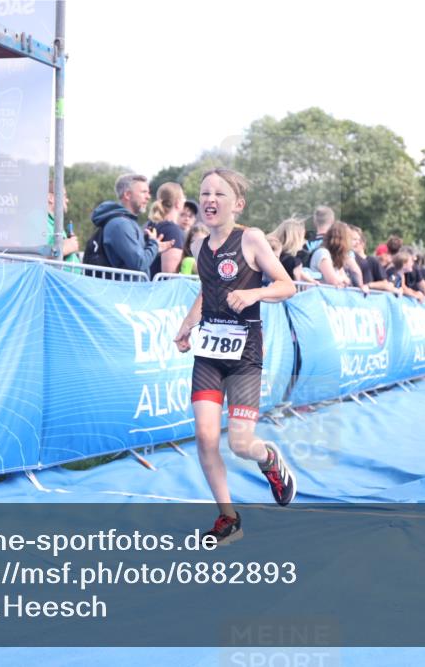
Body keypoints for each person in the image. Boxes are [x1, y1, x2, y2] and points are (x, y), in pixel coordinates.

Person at [173, 168, 298, 545]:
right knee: (206, 438)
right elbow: (206, 291)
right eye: (205, 193)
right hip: (210, 354)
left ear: (237, 204)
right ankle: (228, 519)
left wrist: (255, 294)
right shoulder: (197, 246)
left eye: (219, 194)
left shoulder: (252, 240)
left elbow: (287, 285)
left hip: (245, 355)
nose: (210, 200)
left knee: (240, 444)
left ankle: (269, 460)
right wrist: (187, 324)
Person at [86, 173, 173, 276]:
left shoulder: (125, 222)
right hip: (122, 291)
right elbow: (139, 263)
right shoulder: (120, 225)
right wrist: (153, 244)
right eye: (143, 192)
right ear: (127, 195)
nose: (148, 197)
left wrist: (154, 249)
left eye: (148, 193)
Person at [309, 222, 367, 292]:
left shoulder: (336, 257)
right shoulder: (323, 253)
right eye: (349, 238)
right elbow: (333, 280)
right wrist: (342, 279)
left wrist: (343, 279)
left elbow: (346, 280)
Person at [147, 182, 187, 278]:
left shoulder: (152, 225)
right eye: (183, 198)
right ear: (178, 203)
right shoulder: (172, 230)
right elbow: (169, 275)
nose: (185, 201)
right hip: (159, 291)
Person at [350, 225, 397, 294]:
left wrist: (368, 285)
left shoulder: (372, 261)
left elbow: (385, 284)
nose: (356, 243)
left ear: (363, 243)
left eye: (357, 240)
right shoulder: (346, 259)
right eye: (353, 239)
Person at [271, 217, 318, 284]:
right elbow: (297, 274)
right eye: (303, 237)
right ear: (297, 239)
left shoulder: (275, 256)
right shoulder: (295, 261)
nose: (304, 241)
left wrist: (312, 281)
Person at [47, 180, 80, 264]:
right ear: (50, 198)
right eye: (64, 195)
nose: (67, 200)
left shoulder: (54, 222)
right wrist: (67, 247)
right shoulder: (38, 220)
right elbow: (35, 256)